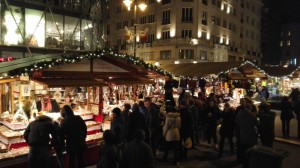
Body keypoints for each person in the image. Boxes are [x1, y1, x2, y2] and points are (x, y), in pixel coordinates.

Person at [235, 98, 259, 167]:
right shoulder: (252, 116)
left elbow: (236, 122)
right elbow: (257, 124)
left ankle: (243, 163)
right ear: (250, 108)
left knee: (243, 151)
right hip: (251, 137)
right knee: (250, 153)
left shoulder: (239, 114)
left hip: (242, 135)